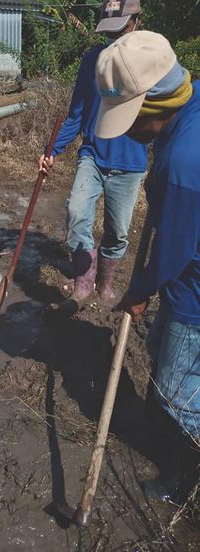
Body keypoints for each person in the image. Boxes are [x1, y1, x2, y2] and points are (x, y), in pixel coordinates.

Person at [95, 30, 199, 500]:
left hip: (192, 292)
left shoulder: (181, 161)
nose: (129, 133)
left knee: (177, 395)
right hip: (185, 274)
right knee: (164, 359)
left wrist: (137, 294)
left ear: (153, 111)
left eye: (131, 120)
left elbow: (172, 255)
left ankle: (185, 482)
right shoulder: (190, 112)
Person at [40, 0, 146, 307]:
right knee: (76, 214)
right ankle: (84, 281)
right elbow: (76, 114)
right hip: (93, 156)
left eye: (121, 29)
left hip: (130, 164)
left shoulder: (151, 65)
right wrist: (51, 151)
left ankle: (106, 282)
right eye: (109, 30)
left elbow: (167, 120)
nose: (114, 37)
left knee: (118, 232)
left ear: (137, 22)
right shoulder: (92, 62)